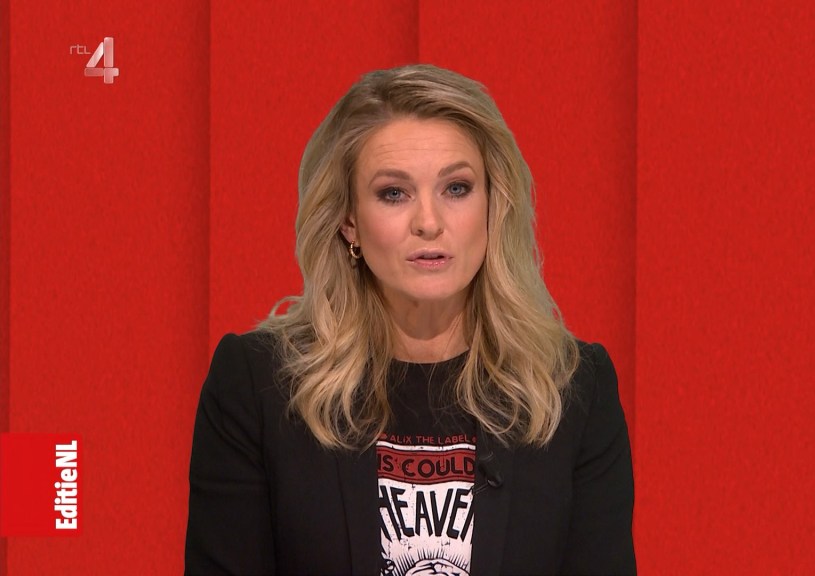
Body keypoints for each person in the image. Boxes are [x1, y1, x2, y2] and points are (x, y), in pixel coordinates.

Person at [185, 64, 635, 575]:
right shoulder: (258, 386)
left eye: (457, 188)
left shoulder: (572, 390)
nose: (429, 222)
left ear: (494, 206)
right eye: (394, 193)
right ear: (348, 221)